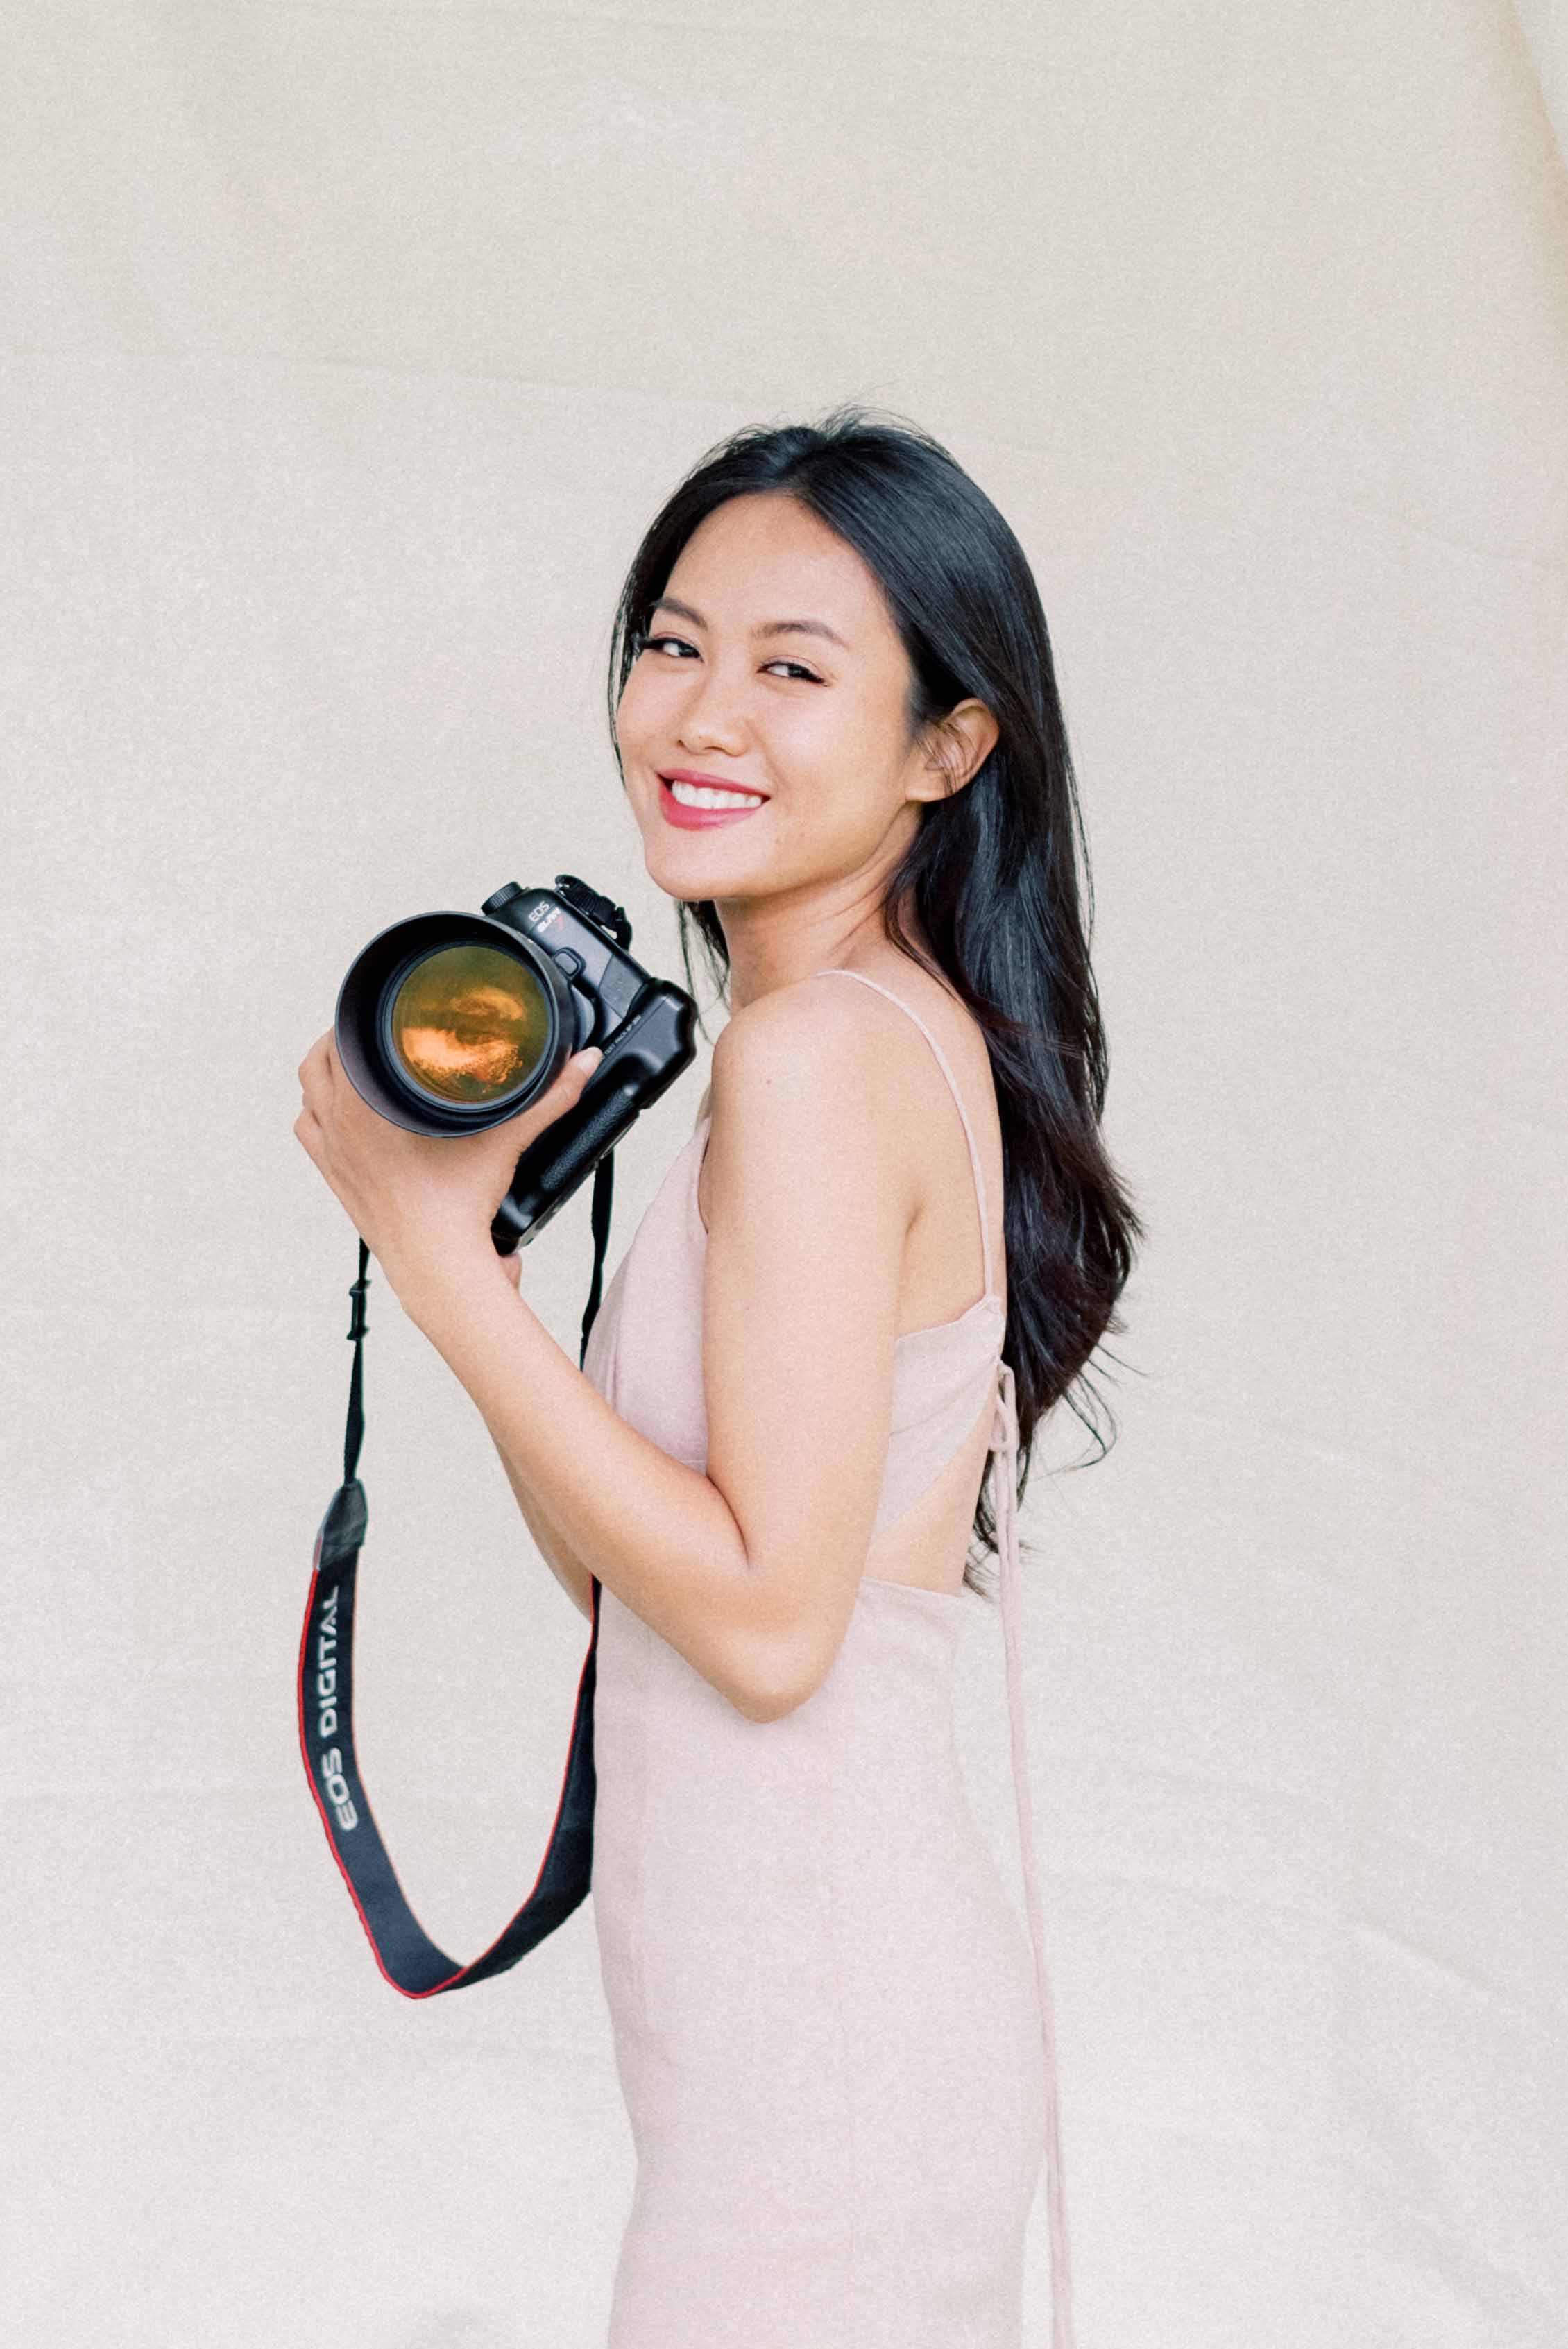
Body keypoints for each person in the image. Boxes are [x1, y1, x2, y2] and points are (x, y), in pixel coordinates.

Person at [295, 402, 1141, 2348]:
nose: (701, 716)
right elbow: (633, 1587)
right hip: (802, 2032)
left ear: (947, 745)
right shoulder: (842, 1035)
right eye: (672, 644)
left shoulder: (818, 1057)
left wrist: (438, 1267)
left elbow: (765, 1629)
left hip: (824, 2054)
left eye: (791, 669)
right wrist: (488, 1257)